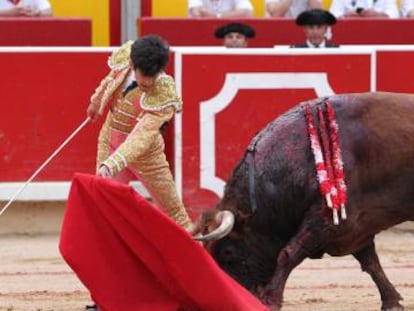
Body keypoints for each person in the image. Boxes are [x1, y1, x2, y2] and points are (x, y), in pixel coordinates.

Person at [85, 36, 193, 310]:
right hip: (109, 138)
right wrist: (96, 102)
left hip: (147, 154)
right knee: (104, 216)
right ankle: (103, 297)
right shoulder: (125, 55)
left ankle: (198, 281)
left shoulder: (165, 90)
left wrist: (113, 163)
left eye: (153, 75)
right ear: (133, 64)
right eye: (144, 75)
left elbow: (142, 137)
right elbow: (110, 79)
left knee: (176, 216)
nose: (148, 82)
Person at [329, 0, 399, 18]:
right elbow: (332, 15)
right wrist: (345, 16)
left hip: (380, 33)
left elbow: (395, 14)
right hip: (350, 33)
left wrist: (378, 15)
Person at [188, 0, 254, 18]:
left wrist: (218, 15)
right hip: (201, 31)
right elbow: (196, 13)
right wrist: (232, 14)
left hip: (227, 32)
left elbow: (247, 12)